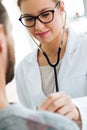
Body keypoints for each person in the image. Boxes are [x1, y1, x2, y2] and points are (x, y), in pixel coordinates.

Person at [0, 1, 80, 130]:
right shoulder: (23, 69)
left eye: (45, 14)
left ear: (61, 8)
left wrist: (78, 110)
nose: (38, 26)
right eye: (29, 18)